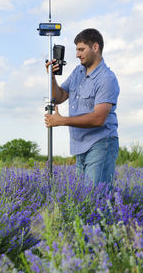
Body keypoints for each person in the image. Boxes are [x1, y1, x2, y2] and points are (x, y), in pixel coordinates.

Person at [45, 28, 120, 189]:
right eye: (76, 50)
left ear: (95, 47)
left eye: (81, 49)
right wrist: (51, 77)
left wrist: (62, 121)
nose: (77, 54)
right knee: (84, 199)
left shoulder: (107, 78)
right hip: (80, 145)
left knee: (95, 199)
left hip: (101, 144)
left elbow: (99, 118)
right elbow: (59, 96)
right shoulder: (78, 72)